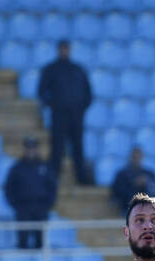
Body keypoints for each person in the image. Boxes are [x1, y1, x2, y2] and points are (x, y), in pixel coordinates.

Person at [38, 39, 92, 185]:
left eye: (66, 48)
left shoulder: (78, 69)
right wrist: (54, 105)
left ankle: (82, 179)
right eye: (62, 48)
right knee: (57, 148)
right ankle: (53, 179)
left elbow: (88, 93)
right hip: (59, 115)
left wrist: (80, 108)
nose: (64, 51)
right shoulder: (51, 69)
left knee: (78, 148)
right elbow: (42, 92)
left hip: (76, 115)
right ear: (58, 50)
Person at [4, 136, 57, 249]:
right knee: (23, 240)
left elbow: (52, 187)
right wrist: (16, 205)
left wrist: (48, 205)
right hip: (23, 207)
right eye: (29, 148)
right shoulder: (17, 168)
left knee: (40, 242)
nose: (31, 151)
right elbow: (9, 188)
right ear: (25, 149)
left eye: (33, 148)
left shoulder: (45, 167)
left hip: (41, 207)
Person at [111, 147, 155, 216]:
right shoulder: (122, 175)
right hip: (127, 210)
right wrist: (133, 185)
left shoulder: (149, 174)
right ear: (130, 157)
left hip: (147, 210)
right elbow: (117, 193)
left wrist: (147, 183)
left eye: (138, 156)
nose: (136, 159)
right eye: (134, 156)